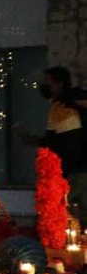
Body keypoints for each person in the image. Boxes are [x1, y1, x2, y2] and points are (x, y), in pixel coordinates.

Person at [34, 66, 87, 216]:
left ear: (59, 83)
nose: (45, 86)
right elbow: (54, 138)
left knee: (58, 208)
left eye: (48, 82)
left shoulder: (72, 98)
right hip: (67, 168)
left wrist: (73, 102)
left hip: (79, 166)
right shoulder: (57, 105)